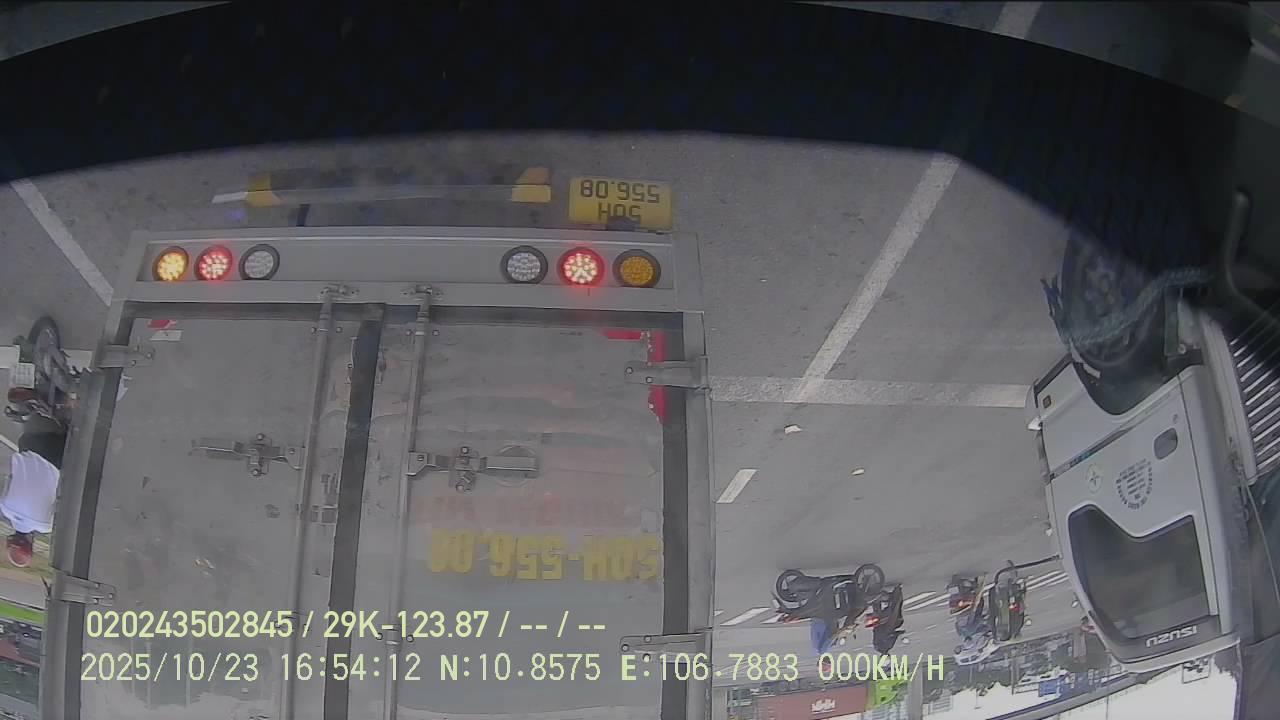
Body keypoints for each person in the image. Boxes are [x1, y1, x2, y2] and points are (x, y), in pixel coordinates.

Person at [2, 415, 65, 567]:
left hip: (54, 454)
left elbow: (60, 499)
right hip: (27, 444)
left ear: (30, 543)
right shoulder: (4, 506)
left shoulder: (45, 526)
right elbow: (10, 477)